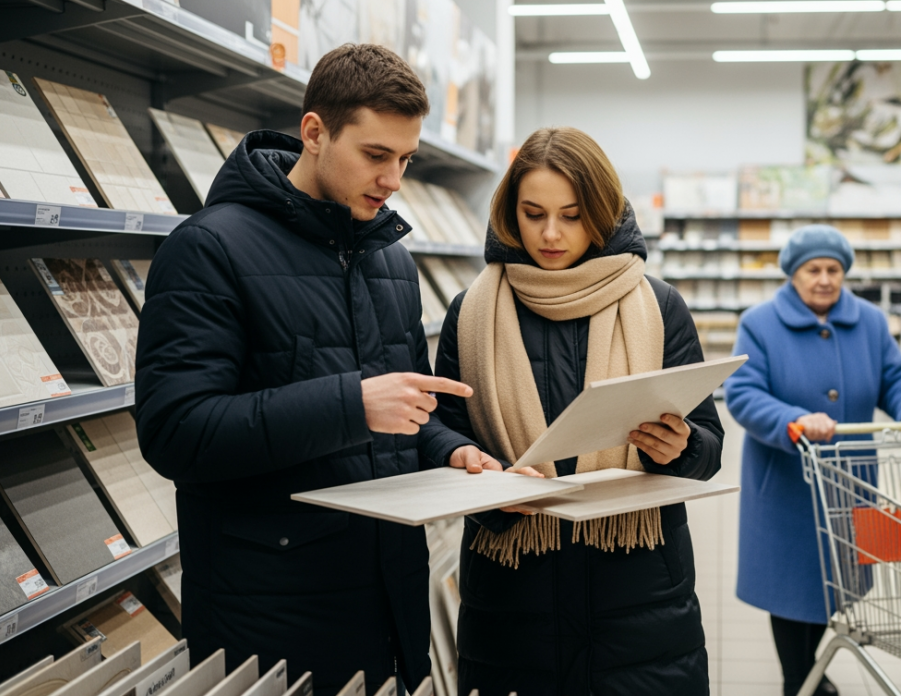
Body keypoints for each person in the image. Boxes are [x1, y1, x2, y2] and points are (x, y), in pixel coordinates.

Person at [135, 44, 501, 695]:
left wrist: (454, 453)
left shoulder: (390, 259)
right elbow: (175, 431)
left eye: (406, 160)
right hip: (271, 611)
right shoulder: (208, 248)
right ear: (314, 133)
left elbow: (408, 408)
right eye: (376, 155)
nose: (394, 180)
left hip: (388, 593)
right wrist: (351, 405)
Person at [431, 126, 725, 695]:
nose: (550, 233)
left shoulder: (659, 307)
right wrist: (480, 475)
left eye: (571, 214)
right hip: (513, 598)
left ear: (602, 211)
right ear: (507, 212)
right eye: (532, 212)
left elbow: (708, 446)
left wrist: (682, 447)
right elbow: (443, 434)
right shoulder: (471, 313)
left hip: (639, 600)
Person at [723, 224, 901, 696]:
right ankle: (799, 679)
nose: (824, 279)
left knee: (831, 581)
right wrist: (795, 419)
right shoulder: (759, 323)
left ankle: (807, 676)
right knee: (790, 586)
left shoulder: (870, 322)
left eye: (834, 270)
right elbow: (743, 393)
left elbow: (897, 377)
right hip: (786, 482)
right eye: (813, 270)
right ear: (793, 275)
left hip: (847, 480)